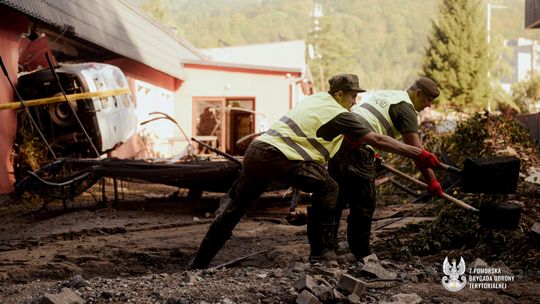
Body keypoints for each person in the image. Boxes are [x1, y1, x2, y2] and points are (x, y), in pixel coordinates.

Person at [189, 74, 442, 269]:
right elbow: (378, 139)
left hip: (256, 153)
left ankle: (198, 263)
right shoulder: (342, 113)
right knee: (329, 187)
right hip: (279, 157)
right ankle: (321, 255)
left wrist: (352, 139)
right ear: (341, 94)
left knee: (235, 209)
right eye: (353, 96)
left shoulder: (316, 99)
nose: (356, 102)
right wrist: (420, 154)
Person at [328, 76, 443, 261]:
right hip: (359, 147)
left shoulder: (391, 95)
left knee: (337, 196)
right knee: (364, 203)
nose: (429, 105)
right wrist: (432, 181)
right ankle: (362, 254)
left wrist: (377, 154)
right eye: (428, 99)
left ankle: (327, 247)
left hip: (340, 140)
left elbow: (372, 120)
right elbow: (416, 151)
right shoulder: (407, 109)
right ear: (418, 93)